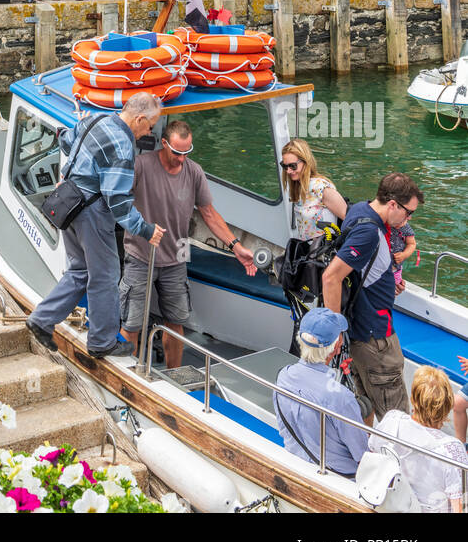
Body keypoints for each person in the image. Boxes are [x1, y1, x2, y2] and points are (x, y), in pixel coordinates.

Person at [27, 92, 166, 358]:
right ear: (138, 119)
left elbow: (66, 140)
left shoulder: (95, 120)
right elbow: (118, 202)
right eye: (150, 126)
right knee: (105, 276)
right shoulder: (124, 148)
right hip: (92, 213)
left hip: (68, 203)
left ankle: (42, 319)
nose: (148, 132)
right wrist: (146, 230)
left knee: (79, 271)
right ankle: (102, 342)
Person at [120, 119, 255, 367]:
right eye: (177, 152)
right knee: (131, 324)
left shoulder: (194, 172)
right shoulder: (140, 166)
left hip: (177, 257)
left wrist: (236, 246)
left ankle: (174, 377)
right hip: (140, 255)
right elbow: (117, 200)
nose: (182, 159)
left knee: (176, 323)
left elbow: (209, 213)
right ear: (163, 144)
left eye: (187, 152)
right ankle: (126, 376)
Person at [322, 173, 424, 424]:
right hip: (375, 337)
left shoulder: (358, 210)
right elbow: (331, 277)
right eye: (408, 212)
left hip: (358, 329)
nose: (409, 219)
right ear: (392, 204)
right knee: (397, 421)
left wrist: (388, 282)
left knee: (363, 403)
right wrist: (334, 331)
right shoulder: (369, 232)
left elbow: (364, 268)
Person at [273, 308, 369, 476]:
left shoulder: (283, 377)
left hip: (295, 464)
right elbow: (362, 455)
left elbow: (283, 430)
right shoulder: (340, 397)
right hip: (339, 479)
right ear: (335, 349)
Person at [371, 367, 468, 512]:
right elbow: (458, 507)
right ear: (447, 405)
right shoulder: (453, 450)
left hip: (388, 504)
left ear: (413, 399)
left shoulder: (392, 420)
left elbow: (373, 451)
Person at [280, 139, 347, 240]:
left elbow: (349, 219)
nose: (288, 171)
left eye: (293, 166)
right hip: (309, 250)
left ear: (305, 162)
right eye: (285, 166)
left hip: (325, 250)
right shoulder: (298, 188)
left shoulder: (322, 188)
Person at [390, 216, 417, 294]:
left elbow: (412, 244)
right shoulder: (385, 223)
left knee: (394, 289)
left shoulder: (405, 228)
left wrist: (404, 255)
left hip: (395, 268)